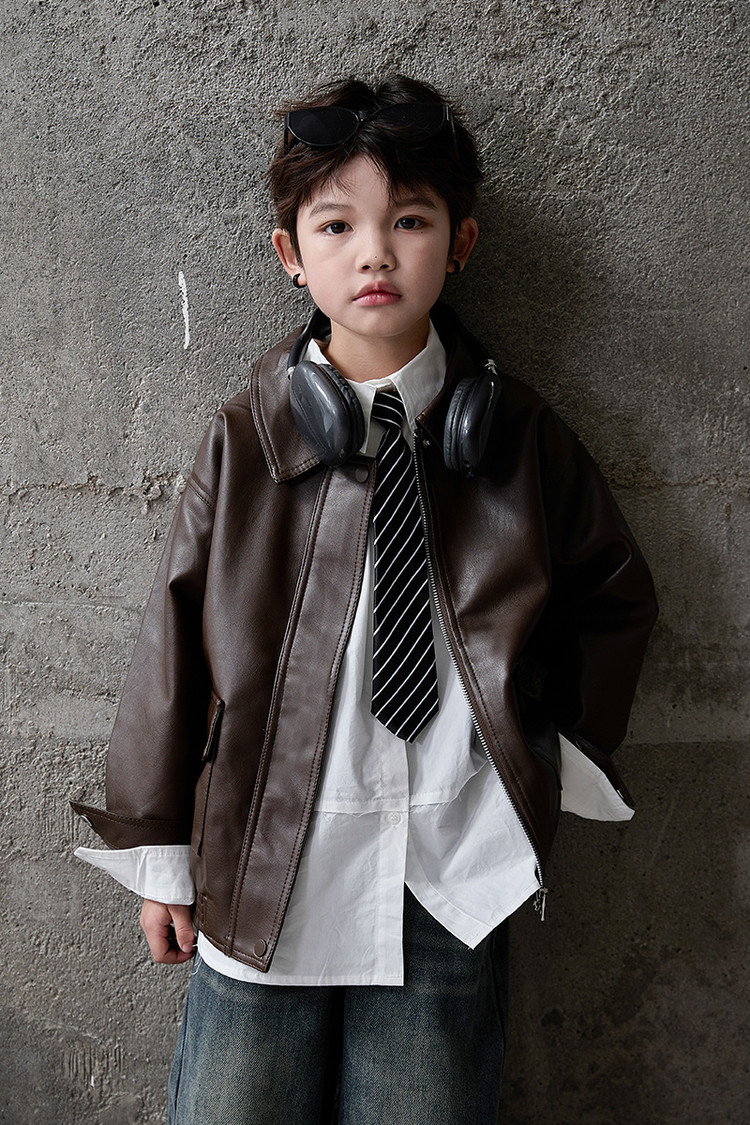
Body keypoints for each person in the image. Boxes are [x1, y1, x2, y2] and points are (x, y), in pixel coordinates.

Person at [73, 74, 658, 1125]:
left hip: (448, 865)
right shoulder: (246, 438)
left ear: (461, 243)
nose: (375, 253)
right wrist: (161, 854)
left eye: (411, 221)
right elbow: (172, 645)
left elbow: (614, 596)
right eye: (337, 225)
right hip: (267, 861)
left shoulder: (518, 437)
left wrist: (538, 763)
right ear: (290, 254)